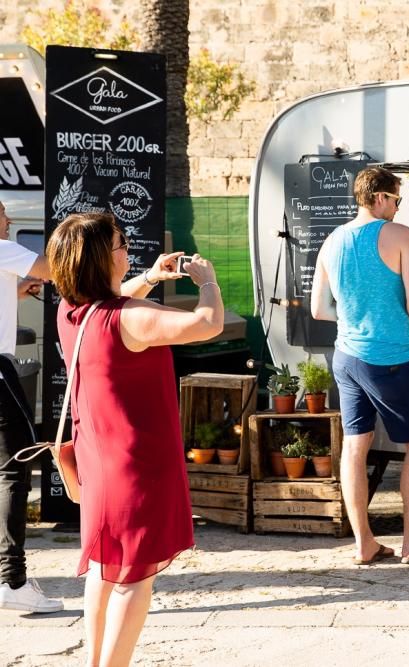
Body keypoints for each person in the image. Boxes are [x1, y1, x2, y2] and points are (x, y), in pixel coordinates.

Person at [46, 212, 223, 665]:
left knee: (106, 567)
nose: (128, 250)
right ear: (102, 257)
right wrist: (207, 282)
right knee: (134, 577)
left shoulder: (71, 312)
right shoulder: (132, 319)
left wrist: (147, 276)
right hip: (138, 463)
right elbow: (208, 324)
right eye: (122, 244)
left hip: (97, 459)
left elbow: (115, 302)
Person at [311, 166, 409, 565]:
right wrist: (403, 317)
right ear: (379, 197)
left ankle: (363, 543)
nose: (397, 208)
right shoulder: (399, 235)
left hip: (347, 357)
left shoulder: (332, 240)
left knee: (356, 447)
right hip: (389, 357)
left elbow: (321, 309)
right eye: (396, 200)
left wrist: (358, 315)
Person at [0, 199, 59, 614]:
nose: (7, 220)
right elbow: (54, 269)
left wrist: (16, 289)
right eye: (3, 214)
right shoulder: (1, 248)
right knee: (14, 467)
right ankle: (11, 581)